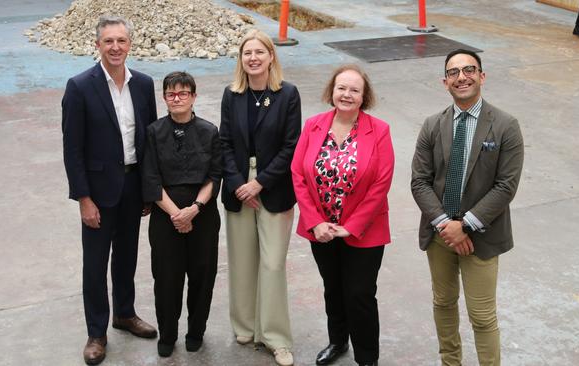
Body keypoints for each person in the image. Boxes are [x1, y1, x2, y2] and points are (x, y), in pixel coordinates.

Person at [411, 49, 524, 366]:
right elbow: (419, 180)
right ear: (444, 82)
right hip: (440, 234)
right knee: (443, 302)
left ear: (482, 76)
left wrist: (466, 225)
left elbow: (506, 186)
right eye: (454, 72)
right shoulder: (433, 125)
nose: (462, 77)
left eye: (469, 69)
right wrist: (447, 225)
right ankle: (451, 362)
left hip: (482, 238)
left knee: (482, 315)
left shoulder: (505, 125)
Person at [62, 15, 158, 365]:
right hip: (98, 191)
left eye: (121, 41)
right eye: (108, 41)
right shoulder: (80, 86)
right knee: (95, 263)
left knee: (127, 256)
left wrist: (150, 189)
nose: (115, 47)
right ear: (98, 44)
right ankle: (96, 332)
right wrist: (84, 198)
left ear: (130, 44)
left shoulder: (144, 84)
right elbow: (72, 149)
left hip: (133, 185)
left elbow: (150, 139)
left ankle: (125, 313)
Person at [291, 64, 394, 366]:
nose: (346, 94)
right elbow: (298, 173)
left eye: (354, 90)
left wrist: (352, 226)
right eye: (341, 88)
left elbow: (381, 183)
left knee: (360, 295)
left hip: (365, 231)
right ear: (332, 91)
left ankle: (367, 358)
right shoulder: (313, 125)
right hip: (321, 229)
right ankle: (337, 341)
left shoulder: (379, 130)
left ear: (364, 97)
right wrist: (315, 221)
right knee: (333, 289)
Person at [219, 29, 301, 366]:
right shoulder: (231, 94)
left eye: (259, 52)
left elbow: (291, 146)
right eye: (246, 53)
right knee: (242, 259)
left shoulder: (288, 94)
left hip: (274, 187)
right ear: (241, 59)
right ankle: (245, 325)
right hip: (238, 186)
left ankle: (276, 337)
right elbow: (224, 142)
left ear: (271, 57)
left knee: (271, 263)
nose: (253, 58)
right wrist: (240, 183)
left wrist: (260, 183)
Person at [141, 71, 222, 357]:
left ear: (194, 97)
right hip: (166, 217)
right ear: (164, 98)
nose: (177, 99)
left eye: (183, 93)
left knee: (202, 276)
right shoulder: (153, 132)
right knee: (166, 278)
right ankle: (168, 334)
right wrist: (177, 214)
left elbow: (214, 176)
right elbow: (150, 178)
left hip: (203, 214)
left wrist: (194, 210)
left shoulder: (209, 130)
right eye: (171, 94)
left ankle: (196, 330)